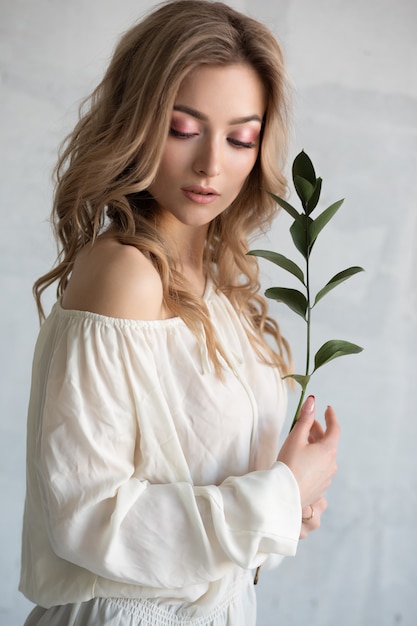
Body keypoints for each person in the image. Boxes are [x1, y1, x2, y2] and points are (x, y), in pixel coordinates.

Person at [19, 1, 340, 624]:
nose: (212, 165)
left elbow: (200, 484)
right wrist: (274, 498)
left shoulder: (221, 283)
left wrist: (287, 502)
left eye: (241, 137)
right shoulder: (125, 273)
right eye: (183, 128)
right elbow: (87, 519)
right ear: (138, 123)